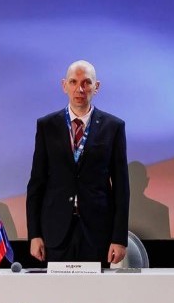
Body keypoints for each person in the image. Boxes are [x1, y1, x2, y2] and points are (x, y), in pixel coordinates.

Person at [26, 60, 129, 265]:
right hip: (55, 232)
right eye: (73, 82)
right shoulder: (47, 126)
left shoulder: (113, 127)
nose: (79, 89)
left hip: (97, 232)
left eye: (86, 82)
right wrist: (34, 234)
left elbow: (121, 187)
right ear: (64, 85)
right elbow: (37, 184)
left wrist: (119, 238)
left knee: (95, 287)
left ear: (96, 87)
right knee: (57, 287)